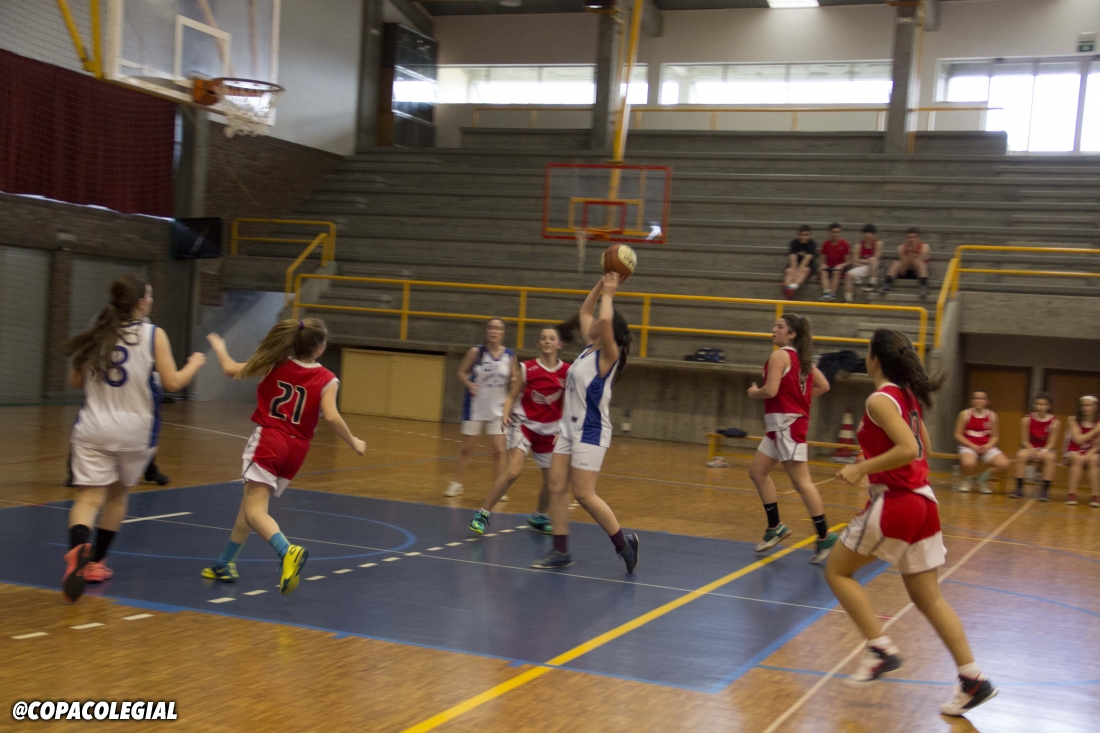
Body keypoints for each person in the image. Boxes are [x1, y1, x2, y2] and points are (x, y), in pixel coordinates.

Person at [826, 329, 998, 717]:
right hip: (924, 503)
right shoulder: (907, 397)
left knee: (837, 571)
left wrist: (862, 468)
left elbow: (908, 449)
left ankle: (879, 649)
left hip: (897, 501)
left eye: (867, 351)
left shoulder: (880, 398)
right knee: (928, 598)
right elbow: (925, 449)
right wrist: (875, 455)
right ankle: (973, 679)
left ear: (874, 360)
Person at [62, 274, 205, 602]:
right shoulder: (154, 335)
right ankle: (95, 563)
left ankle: (78, 550)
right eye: (149, 295)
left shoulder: (97, 332)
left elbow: (75, 381)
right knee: (116, 496)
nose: (151, 300)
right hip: (134, 432)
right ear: (141, 302)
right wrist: (195, 363)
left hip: (93, 428)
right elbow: (173, 382)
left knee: (87, 500)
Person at [202, 319, 366, 594]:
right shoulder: (328, 379)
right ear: (320, 348)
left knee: (255, 511)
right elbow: (331, 416)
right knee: (250, 504)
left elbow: (230, 369)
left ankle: (287, 551)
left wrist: (219, 348)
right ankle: (225, 561)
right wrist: (353, 441)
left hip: (270, 441)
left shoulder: (275, 364)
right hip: (296, 449)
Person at [531, 273, 639, 572]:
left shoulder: (608, 355)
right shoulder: (588, 350)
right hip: (567, 429)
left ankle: (624, 546)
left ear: (607, 330)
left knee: (583, 494)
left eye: (599, 322)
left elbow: (604, 319)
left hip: (591, 431)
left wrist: (611, 294)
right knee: (555, 487)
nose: (591, 322)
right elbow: (585, 311)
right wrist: (600, 286)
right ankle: (560, 551)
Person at [747, 314, 837, 564]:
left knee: (802, 482)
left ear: (792, 334)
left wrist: (754, 392)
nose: (773, 329)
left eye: (780, 326)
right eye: (775, 325)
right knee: (757, 473)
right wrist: (801, 398)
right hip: (780, 426)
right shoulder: (803, 360)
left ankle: (825, 536)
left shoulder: (780, 356)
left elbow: (770, 390)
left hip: (787, 425)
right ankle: (775, 526)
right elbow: (824, 386)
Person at [469, 326, 570, 535]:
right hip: (523, 424)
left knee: (553, 480)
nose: (547, 341)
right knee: (513, 472)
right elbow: (512, 396)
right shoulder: (527, 368)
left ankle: (539, 516)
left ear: (559, 344)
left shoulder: (567, 372)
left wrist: (565, 428)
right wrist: (505, 413)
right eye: (543, 338)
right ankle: (482, 514)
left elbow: (570, 404)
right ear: (538, 344)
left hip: (551, 430)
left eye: (552, 338)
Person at [444, 319, 514, 498]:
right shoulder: (476, 352)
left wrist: (516, 385)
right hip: (475, 407)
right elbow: (461, 371)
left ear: (503, 333)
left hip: (498, 409)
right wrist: (469, 383)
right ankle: (456, 483)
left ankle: (498, 488)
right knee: (467, 448)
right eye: (491, 327)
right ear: (486, 331)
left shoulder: (509, 355)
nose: (494, 331)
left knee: (498, 450)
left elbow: (515, 378)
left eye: (498, 328)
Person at [953, 390, 1011, 494]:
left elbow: (995, 436)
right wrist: (973, 446)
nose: (978, 401)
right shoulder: (965, 414)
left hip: (986, 447)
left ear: (987, 401)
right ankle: (966, 480)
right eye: (975, 398)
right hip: (969, 446)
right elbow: (958, 434)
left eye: (981, 398)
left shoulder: (992, 416)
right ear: (972, 401)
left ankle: (982, 479)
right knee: (968, 463)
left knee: (1004, 464)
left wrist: (988, 446)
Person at [1012, 393, 1060, 501]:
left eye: (1043, 404)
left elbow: (1052, 442)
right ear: (1034, 405)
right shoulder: (1026, 420)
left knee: (1050, 458)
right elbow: (1024, 440)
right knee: (1020, 455)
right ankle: (1018, 488)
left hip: (1046, 448)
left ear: (1049, 406)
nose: (1040, 407)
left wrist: (1044, 451)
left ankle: (1045, 491)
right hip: (1030, 447)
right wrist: (1032, 450)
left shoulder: (1055, 422)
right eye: (1038, 404)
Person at [1063, 395, 1099, 507]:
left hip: (1093, 451)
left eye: (1088, 405)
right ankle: (1071, 494)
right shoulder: (1073, 420)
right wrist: (1095, 430)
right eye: (1083, 405)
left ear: (1095, 407)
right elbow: (1078, 440)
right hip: (1074, 449)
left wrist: (1089, 454)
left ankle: (1095, 495)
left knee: (1093, 460)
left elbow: (1098, 444)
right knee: (1078, 459)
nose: (1085, 408)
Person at [880, 228, 931, 299]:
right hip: (906, 270)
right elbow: (904, 265)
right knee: (896, 263)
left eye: (914, 237)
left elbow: (917, 262)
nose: (911, 239)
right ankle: (887, 284)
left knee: (921, 264)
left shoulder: (924, 247)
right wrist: (910, 253)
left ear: (918, 238)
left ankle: (924, 287)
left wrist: (912, 252)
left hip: (918, 272)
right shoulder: (901, 247)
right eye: (909, 237)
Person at [844, 224, 884, 303]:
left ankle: (872, 284)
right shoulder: (858, 246)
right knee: (848, 275)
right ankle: (848, 299)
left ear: (873, 234)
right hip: (865, 267)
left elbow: (877, 257)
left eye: (870, 233)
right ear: (863, 234)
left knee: (873, 260)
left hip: (876, 268)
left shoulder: (878, 243)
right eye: (866, 233)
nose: (868, 235)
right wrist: (866, 262)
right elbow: (854, 262)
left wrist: (861, 260)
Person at [782, 225, 817, 300]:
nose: (804, 237)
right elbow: (793, 258)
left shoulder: (812, 244)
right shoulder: (794, 243)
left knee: (803, 271)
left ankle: (791, 288)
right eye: (802, 235)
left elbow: (807, 260)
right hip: (795, 264)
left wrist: (798, 271)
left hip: (808, 266)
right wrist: (794, 270)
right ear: (798, 235)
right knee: (790, 270)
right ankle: (788, 290)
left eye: (806, 235)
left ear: (810, 235)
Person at [818, 223, 850, 302]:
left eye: (837, 232)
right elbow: (822, 259)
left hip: (839, 267)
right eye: (833, 232)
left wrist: (841, 265)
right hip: (829, 265)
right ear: (830, 232)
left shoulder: (845, 244)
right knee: (823, 272)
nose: (835, 234)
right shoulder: (826, 244)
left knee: (836, 272)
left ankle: (832, 294)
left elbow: (848, 261)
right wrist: (823, 265)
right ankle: (826, 294)